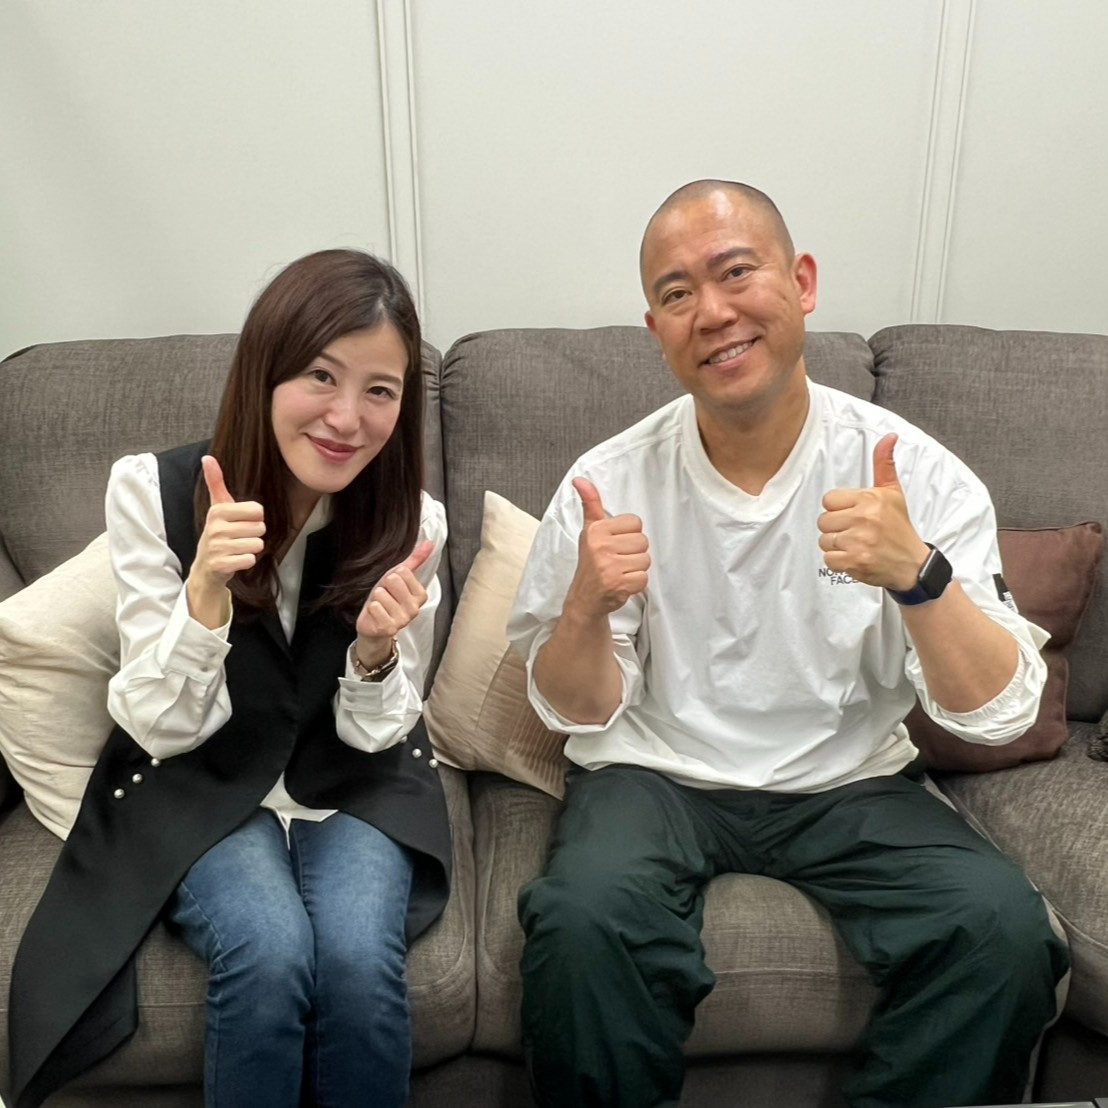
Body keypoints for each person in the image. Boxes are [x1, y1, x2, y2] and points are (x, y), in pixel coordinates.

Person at [508, 180, 1070, 1108]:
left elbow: (999, 713)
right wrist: (582, 609)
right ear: (656, 330)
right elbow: (575, 711)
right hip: (656, 777)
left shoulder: (913, 473)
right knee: (580, 922)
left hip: (849, 778)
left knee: (1004, 933)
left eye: (737, 272)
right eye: (678, 293)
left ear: (802, 283)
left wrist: (917, 575)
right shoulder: (607, 482)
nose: (713, 312)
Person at [10, 249, 451, 1108]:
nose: (347, 418)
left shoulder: (412, 522)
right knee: (269, 950)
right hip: (202, 774)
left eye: (380, 390)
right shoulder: (151, 491)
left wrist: (373, 651)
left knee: (359, 957)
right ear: (265, 371)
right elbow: (160, 726)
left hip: (352, 778)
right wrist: (205, 592)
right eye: (320, 376)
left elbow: (379, 731)